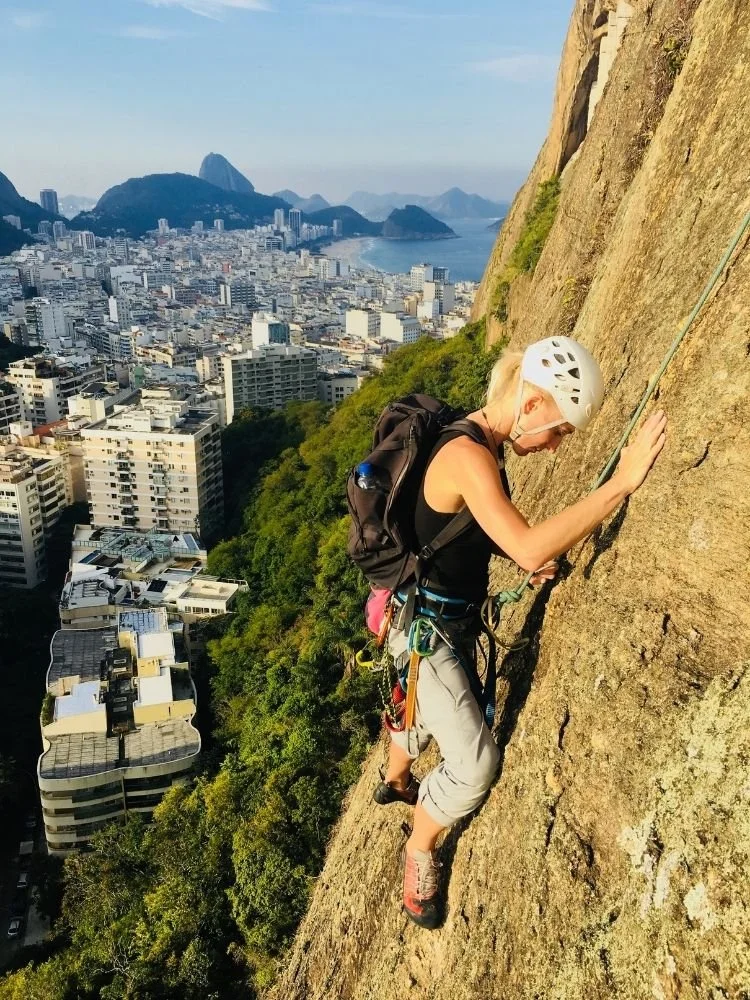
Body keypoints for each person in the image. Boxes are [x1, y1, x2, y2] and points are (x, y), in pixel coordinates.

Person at [371, 335, 668, 929]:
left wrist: (522, 557)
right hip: (425, 629)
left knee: (424, 708)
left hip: (435, 616)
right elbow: (526, 541)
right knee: (475, 765)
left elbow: (480, 529)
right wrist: (621, 482)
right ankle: (419, 846)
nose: (557, 446)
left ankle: (395, 777)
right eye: (558, 431)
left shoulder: (478, 439)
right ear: (531, 403)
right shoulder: (469, 456)